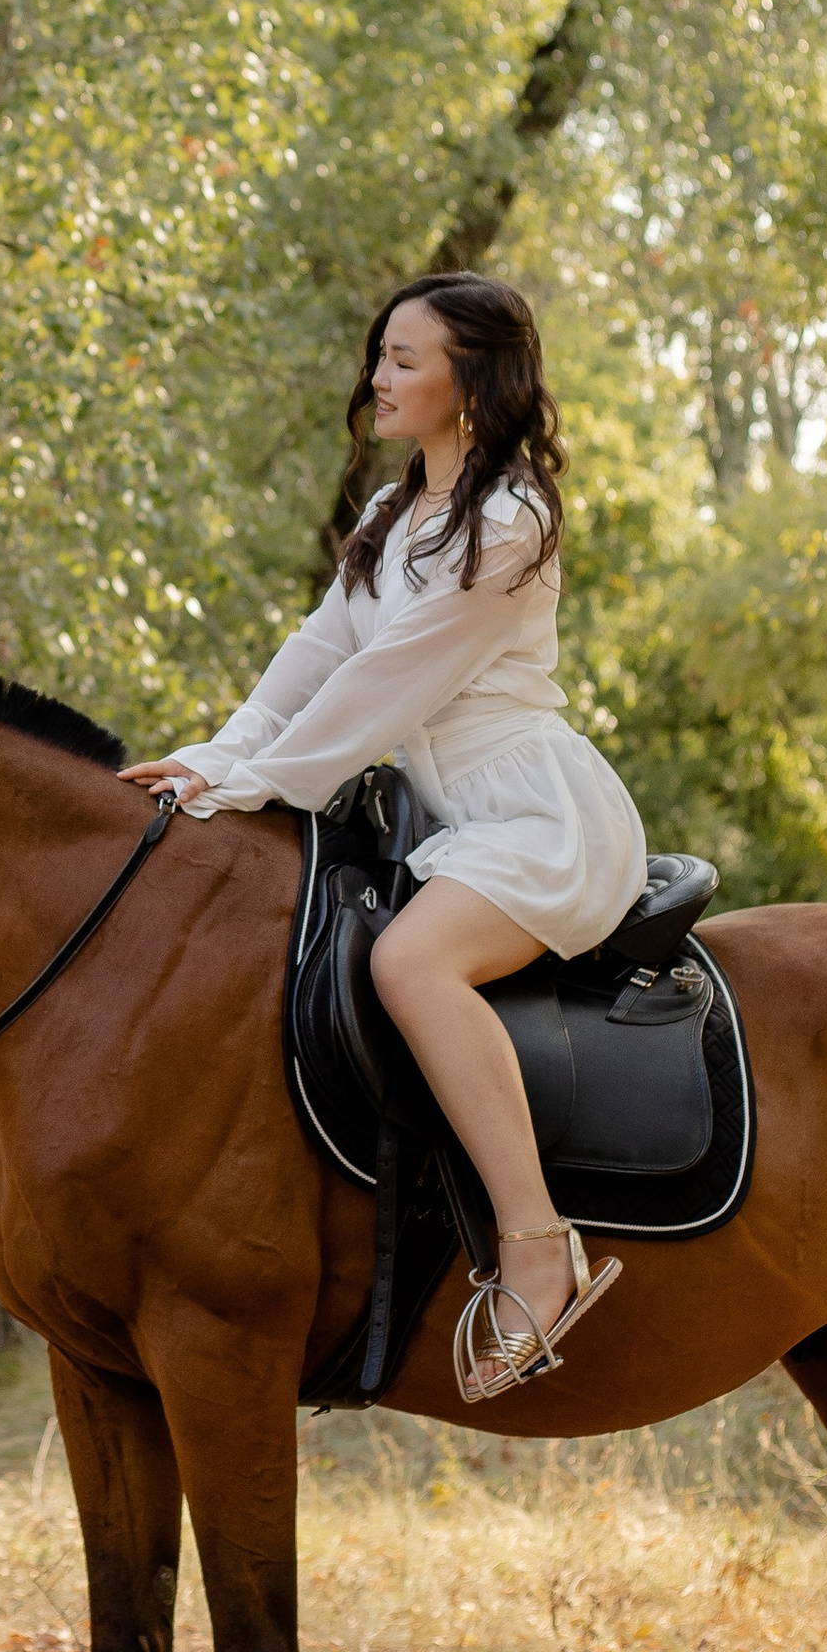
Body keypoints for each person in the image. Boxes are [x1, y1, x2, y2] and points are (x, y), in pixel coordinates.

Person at [122, 275, 647, 1404]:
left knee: (411, 963)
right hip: (448, 823)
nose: (380, 378)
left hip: (536, 818)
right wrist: (210, 760)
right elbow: (309, 665)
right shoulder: (382, 519)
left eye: (405, 360)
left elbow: (386, 687)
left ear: (474, 382)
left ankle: (534, 1245)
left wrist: (257, 783)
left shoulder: (512, 523)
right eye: (380, 356)